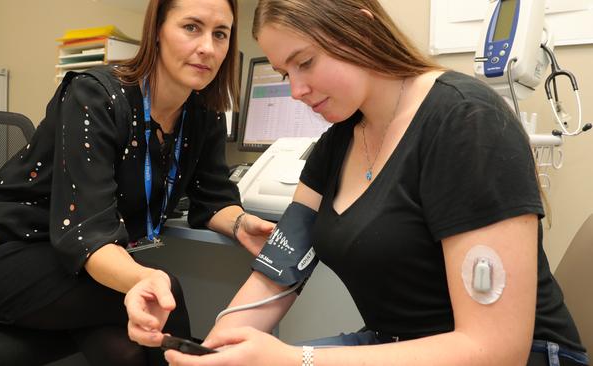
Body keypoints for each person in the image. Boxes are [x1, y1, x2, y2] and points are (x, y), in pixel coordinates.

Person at [158, 0, 590, 365]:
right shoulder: (336, 145)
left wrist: (296, 359)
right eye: (285, 72)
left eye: (305, 63)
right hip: (396, 346)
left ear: (359, 30)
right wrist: (213, 348)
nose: (296, 90)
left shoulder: (465, 123)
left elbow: (495, 349)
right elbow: (278, 271)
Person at [0, 0, 274, 365]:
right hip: (2, 252)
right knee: (163, 293)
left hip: (73, 267)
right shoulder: (95, 95)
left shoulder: (204, 114)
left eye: (220, 34)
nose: (207, 48)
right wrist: (142, 278)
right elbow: (89, 231)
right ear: (157, 31)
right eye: (192, 27)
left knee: (132, 345)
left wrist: (243, 225)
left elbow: (212, 197)